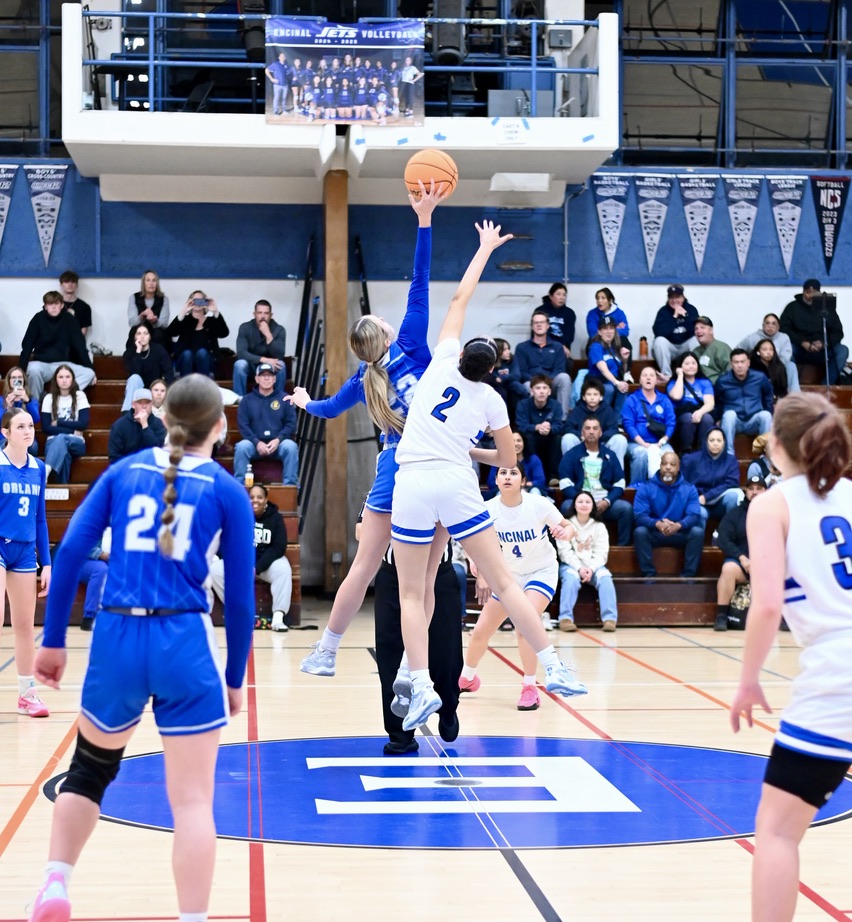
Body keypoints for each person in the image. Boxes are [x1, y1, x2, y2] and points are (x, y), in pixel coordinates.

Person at [27, 374, 255, 922]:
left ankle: (56, 882)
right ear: (220, 428)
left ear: (163, 417)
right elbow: (243, 599)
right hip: (183, 641)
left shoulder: (123, 471)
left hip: (117, 638)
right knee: (194, 801)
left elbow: (72, 550)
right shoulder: (226, 489)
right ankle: (193, 918)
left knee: (87, 771)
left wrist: (53, 641)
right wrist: (233, 676)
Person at [389, 220, 587, 732]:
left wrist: (482, 248)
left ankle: (421, 684)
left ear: (462, 353)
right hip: (456, 482)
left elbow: (459, 294)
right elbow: (507, 462)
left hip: (412, 479)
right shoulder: (492, 399)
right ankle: (555, 666)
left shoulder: (439, 363)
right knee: (504, 582)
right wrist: (471, 449)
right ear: (494, 368)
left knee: (412, 592)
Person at [286, 183, 444, 677]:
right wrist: (424, 218)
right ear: (389, 333)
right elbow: (421, 277)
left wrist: (304, 400)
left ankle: (327, 651)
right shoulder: (414, 342)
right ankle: (409, 669)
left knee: (364, 566)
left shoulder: (362, 379)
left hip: (394, 464)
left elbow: (329, 408)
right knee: (423, 581)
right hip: (437, 464)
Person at [730, 392, 852, 922]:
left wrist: (748, 679)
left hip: (837, 674)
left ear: (775, 446)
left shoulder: (771, 503)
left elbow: (768, 603)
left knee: (777, 832)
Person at [458, 462, 575, 710]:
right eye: (503, 473)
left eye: (513, 473)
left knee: (525, 624)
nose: (508, 476)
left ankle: (530, 687)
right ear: (496, 481)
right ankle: (467, 677)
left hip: (540, 572)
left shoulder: (538, 504)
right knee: (480, 632)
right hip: (507, 576)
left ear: (523, 481)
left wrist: (567, 533)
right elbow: (471, 541)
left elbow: (568, 526)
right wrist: (476, 565)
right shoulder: (487, 509)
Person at [375, 535, 462, 754]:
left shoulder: (445, 499)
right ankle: (400, 733)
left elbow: (470, 528)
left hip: (438, 576)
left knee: (445, 655)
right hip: (392, 576)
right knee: (391, 655)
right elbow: (361, 531)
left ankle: (448, 706)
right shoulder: (381, 498)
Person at [0, 408, 51, 718]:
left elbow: (41, 518)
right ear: (5, 433)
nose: (27, 431)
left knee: (24, 626)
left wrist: (46, 563)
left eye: (30, 426)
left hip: (25, 550)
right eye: (20, 426)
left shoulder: (39, 468)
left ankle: (27, 695)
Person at [211, 483, 291, 633]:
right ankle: (238, 612)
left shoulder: (275, 518)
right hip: (242, 564)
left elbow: (278, 547)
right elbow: (228, 541)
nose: (255, 501)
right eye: (252, 497)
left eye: (259, 497)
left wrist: (257, 567)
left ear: (266, 499)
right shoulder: (239, 515)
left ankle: (278, 617)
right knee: (215, 569)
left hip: (265, 564)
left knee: (283, 568)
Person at [558, 417, 633, 546]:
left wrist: (607, 501)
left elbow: (620, 483)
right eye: (587, 428)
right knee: (565, 506)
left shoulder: (610, 455)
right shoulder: (571, 455)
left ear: (600, 433)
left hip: (603, 503)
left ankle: (622, 549)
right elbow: (564, 484)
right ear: (582, 433)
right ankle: (568, 548)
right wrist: (581, 501)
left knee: (625, 509)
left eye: (595, 428)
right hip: (579, 502)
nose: (591, 432)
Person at [632, 451, 704, 578]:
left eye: (672, 464)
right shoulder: (646, 487)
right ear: (660, 465)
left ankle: (688, 576)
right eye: (664, 463)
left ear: (678, 467)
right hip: (656, 532)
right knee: (640, 532)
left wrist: (679, 525)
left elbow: (694, 515)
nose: (668, 467)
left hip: (679, 532)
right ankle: (649, 575)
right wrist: (657, 523)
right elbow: (640, 515)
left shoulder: (689, 488)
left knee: (697, 532)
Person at [557, 489, 618, 632]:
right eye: (580, 501)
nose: (584, 504)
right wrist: (579, 568)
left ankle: (610, 619)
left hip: (593, 567)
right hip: (571, 565)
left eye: (587, 502)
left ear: (593, 506)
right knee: (570, 579)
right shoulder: (566, 526)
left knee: (605, 578)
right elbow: (564, 552)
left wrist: (591, 569)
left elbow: (601, 553)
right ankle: (565, 619)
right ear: (574, 505)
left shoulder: (599, 527)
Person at [19, 290, 96, 401]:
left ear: (62, 305)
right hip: (42, 364)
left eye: (56, 304)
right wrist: (20, 370)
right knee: (33, 369)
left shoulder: (70, 320)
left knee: (88, 373)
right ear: (45, 306)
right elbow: (27, 346)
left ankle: (59, 399)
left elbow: (80, 346)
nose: (54, 307)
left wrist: (91, 369)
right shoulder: (38, 319)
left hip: (64, 364)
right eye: (50, 304)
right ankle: (34, 405)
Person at [714, 474, 766, 631]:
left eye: (759, 489)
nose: (754, 492)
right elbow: (722, 539)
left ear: (766, 491)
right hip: (743, 565)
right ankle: (721, 616)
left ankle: (786, 617)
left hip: (767, 565)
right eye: (751, 489)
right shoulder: (735, 514)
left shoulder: (774, 514)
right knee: (728, 569)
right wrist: (742, 558)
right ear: (746, 491)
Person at [233, 363, 298, 486]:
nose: (266, 378)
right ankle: (239, 487)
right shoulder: (246, 400)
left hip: (278, 445)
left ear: (275, 379)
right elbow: (243, 425)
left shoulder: (285, 398)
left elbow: (291, 424)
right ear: (257, 379)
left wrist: (278, 440)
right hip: (254, 445)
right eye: (263, 376)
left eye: (270, 375)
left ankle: (290, 487)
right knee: (242, 447)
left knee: (291, 447)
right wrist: (257, 442)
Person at [780, 278, 848, 385]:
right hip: (800, 349)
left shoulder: (827, 309)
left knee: (842, 350)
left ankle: (825, 385)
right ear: (803, 292)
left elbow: (838, 332)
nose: (811, 296)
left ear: (819, 293)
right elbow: (784, 329)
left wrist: (823, 343)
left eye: (814, 293)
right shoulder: (792, 307)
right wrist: (802, 342)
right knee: (786, 349)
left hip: (822, 350)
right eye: (808, 292)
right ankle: (792, 385)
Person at [622, 366, 675, 484]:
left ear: (656, 380)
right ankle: (636, 489)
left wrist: (662, 441)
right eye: (644, 375)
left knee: (670, 456)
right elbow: (628, 424)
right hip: (637, 443)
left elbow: (671, 423)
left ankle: (667, 489)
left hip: (660, 443)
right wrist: (644, 444)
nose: (648, 378)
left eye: (651, 375)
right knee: (641, 455)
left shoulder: (664, 400)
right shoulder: (632, 399)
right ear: (640, 380)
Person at [715, 349, 774, 456]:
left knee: (766, 415)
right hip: (734, 422)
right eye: (736, 362)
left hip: (754, 420)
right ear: (731, 364)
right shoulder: (723, 381)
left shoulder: (759, 377)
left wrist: (768, 409)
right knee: (728, 415)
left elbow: (768, 395)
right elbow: (717, 400)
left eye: (742, 362)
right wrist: (718, 418)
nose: (740, 365)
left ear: (748, 363)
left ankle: (765, 455)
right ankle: (729, 455)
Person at [560, 376, 627, 469]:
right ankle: (570, 475)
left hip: (601, 443)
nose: (592, 398)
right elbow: (567, 427)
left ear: (601, 397)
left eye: (595, 394)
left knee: (620, 439)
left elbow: (614, 429)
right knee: (567, 438)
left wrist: (599, 437)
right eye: (589, 394)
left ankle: (617, 477)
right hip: (582, 442)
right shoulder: (578, 409)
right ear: (583, 397)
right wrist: (581, 436)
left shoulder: (606, 409)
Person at [514, 309, 572, 415]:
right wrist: (538, 384)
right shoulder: (522, 347)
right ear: (532, 326)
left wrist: (546, 384)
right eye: (536, 323)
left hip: (551, 382)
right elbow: (521, 372)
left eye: (542, 322)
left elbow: (559, 369)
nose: (539, 325)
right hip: (531, 382)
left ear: (548, 325)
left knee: (564, 378)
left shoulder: (557, 347)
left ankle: (562, 420)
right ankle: (533, 422)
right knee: (527, 385)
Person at [680, 427, 743, 524]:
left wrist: (707, 496)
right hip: (698, 502)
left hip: (719, 502)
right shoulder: (691, 460)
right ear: (706, 442)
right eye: (712, 440)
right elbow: (683, 483)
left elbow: (732, 482)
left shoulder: (730, 460)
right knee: (700, 513)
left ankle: (728, 535)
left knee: (733, 497)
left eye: (719, 440)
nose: (715, 443)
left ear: (724, 442)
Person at [41, 365, 90, 484]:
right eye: (61, 377)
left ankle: (46, 471)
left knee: (61, 438)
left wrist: (59, 422)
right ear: (56, 380)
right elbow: (46, 428)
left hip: (76, 443)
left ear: (72, 379)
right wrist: (73, 431)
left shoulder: (80, 396)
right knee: (65, 454)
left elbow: (83, 424)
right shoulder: (49, 398)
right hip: (53, 442)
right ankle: (63, 489)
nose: (64, 380)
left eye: (67, 377)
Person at [233, 299, 288, 396]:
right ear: (254, 314)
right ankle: (239, 400)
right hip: (251, 366)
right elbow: (241, 353)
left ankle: (279, 400)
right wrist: (264, 360)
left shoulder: (279, 329)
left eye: (266, 313)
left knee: (281, 365)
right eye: (259, 313)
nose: (263, 316)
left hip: (271, 367)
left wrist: (268, 335)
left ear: (271, 315)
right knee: (240, 364)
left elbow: (279, 355)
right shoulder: (245, 327)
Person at [514, 373, 564, 481]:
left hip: (549, 437)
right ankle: (530, 475)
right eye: (538, 388)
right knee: (528, 438)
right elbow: (521, 426)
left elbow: (559, 425)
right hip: (532, 437)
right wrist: (536, 427)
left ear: (549, 391)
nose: (541, 391)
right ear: (531, 391)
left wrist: (550, 429)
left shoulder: (556, 405)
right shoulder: (523, 404)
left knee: (557, 438)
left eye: (545, 388)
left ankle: (553, 477)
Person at [168, 291, 229, 378]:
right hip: (185, 362)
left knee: (202, 353)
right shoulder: (184, 320)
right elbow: (169, 333)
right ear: (190, 302)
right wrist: (183, 312)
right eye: (195, 300)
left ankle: (204, 389)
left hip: (206, 362)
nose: (197, 303)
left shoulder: (211, 321)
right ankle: (186, 389)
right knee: (187, 354)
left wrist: (215, 312)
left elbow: (224, 333)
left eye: (201, 301)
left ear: (205, 303)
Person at [736, 313, 800, 394]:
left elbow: (786, 356)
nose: (770, 326)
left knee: (791, 365)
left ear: (778, 327)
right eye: (767, 323)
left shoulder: (784, 338)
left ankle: (795, 395)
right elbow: (738, 350)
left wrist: (773, 364)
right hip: (758, 366)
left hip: (778, 366)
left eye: (773, 324)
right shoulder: (753, 338)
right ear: (763, 325)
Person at [666, 351, 715, 453]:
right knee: (688, 418)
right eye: (687, 364)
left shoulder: (704, 382)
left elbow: (710, 403)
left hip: (700, 411)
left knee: (707, 418)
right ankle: (685, 452)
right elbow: (677, 396)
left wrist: (700, 412)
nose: (691, 366)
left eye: (693, 363)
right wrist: (680, 376)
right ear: (680, 366)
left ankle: (703, 452)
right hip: (681, 415)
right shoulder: (673, 383)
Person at [122, 321, 175, 411]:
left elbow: (169, 373)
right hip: (138, 390)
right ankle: (127, 413)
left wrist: (163, 388)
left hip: (155, 388)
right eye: (139, 333)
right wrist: (138, 352)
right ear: (135, 337)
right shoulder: (129, 353)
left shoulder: (159, 350)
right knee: (134, 378)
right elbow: (134, 373)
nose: (142, 336)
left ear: (150, 336)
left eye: (145, 333)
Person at [651, 284, 699, 382]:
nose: (674, 300)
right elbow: (659, 332)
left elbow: (695, 330)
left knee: (696, 340)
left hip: (685, 347)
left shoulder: (691, 310)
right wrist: (674, 317)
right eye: (671, 297)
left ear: (683, 297)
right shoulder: (663, 312)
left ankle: (694, 375)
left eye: (677, 297)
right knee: (659, 341)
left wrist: (685, 316)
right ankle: (666, 375)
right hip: (670, 348)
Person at [108, 387, 167, 462]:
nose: (144, 406)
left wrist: (145, 426)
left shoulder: (159, 424)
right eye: (140, 402)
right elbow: (114, 456)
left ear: (152, 404)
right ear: (133, 404)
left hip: (150, 468)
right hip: (128, 469)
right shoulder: (119, 425)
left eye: (147, 402)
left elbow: (156, 452)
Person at [586, 316, 629, 415]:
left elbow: (622, 371)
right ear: (600, 332)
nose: (609, 331)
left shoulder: (616, 348)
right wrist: (617, 383)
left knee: (624, 389)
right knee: (608, 389)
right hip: (597, 382)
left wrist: (625, 361)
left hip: (613, 382)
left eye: (611, 328)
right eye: (605, 328)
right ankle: (602, 419)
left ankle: (618, 422)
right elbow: (603, 369)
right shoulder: (595, 346)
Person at [484, 429, 546, 497]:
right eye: (512, 441)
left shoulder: (533, 459)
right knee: (500, 493)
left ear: (524, 443)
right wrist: (511, 486)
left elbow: (540, 481)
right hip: (505, 489)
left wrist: (519, 485)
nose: (516, 444)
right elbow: (491, 482)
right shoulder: (500, 459)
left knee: (535, 491)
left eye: (519, 440)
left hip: (528, 490)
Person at [483, 337, 526, 424]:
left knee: (520, 388)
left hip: (509, 383)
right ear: (498, 351)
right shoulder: (490, 361)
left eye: (508, 349)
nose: (508, 352)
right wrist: (499, 379)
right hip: (495, 386)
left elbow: (517, 375)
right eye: (505, 349)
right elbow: (491, 378)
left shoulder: (512, 358)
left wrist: (502, 378)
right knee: (502, 393)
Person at [1, 366, 40, 453]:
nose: (17, 380)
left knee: (32, 447)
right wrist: (7, 407)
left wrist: (27, 402)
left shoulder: (30, 399)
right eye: (14, 378)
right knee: (6, 445)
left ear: (23, 381)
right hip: (6, 438)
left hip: (26, 437)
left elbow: (36, 419)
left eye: (19, 377)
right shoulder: (2, 400)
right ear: (9, 381)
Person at [128, 269, 171, 348]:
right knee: (136, 335)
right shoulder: (134, 297)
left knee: (159, 335)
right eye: (148, 280)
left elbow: (164, 324)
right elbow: (132, 322)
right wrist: (141, 317)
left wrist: (155, 321)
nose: (151, 283)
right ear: (143, 283)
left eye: (154, 280)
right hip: (139, 331)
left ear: (157, 283)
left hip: (158, 333)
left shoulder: (164, 299)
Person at [539, 282, 576, 369]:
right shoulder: (541, 311)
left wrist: (560, 347)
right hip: (544, 346)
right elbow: (538, 333)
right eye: (558, 294)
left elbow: (569, 336)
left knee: (568, 362)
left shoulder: (569, 313)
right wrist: (554, 345)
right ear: (551, 296)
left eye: (564, 295)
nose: (562, 297)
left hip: (562, 349)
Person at [585, 286, 631, 353]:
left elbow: (625, 331)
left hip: (615, 342)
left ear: (610, 300)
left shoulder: (619, 313)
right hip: (598, 341)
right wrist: (615, 329)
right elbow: (592, 332)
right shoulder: (592, 314)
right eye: (597, 298)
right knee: (592, 344)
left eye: (603, 298)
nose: (599, 301)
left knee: (625, 342)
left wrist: (606, 331)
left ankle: (625, 363)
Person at [692, 316, 731, 383]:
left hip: (718, 387)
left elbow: (730, 372)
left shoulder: (721, 348)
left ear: (711, 330)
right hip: (699, 388)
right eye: (696, 329)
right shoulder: (695, 351)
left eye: (702, 327)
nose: (698, 331)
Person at [750, 338, 788, 402]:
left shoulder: (779, 367)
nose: (768, 352)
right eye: (764, 349)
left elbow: (783, 389)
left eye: (771, 349)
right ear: (758, 352)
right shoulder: (752, 366)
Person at [59, 270, 92, 338]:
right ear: (61, 285)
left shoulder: (84, 307)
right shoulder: (52, 305)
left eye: (73, 282)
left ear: (76, 285)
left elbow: (83, 334)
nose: (70, 284)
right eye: (67, 281)